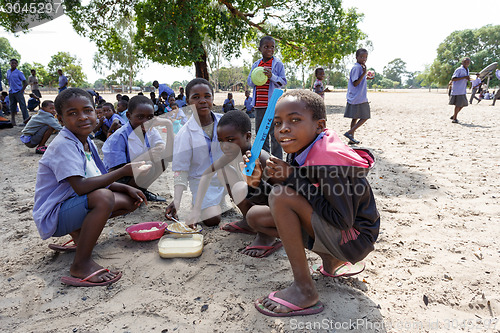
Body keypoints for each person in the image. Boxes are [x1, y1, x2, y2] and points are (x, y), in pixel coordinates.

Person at [241, 90, 380, 316]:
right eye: (278, 123)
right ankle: (331, 261)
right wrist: (255, 183)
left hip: (353, 240)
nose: (283, 128)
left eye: (294, 120)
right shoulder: (301, 148)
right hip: (335, 232)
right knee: (255, 217)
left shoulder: (328, 161)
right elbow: (290, 203)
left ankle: (305, 290)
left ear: (319, 125)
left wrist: (292, 178)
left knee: (280, 195)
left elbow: (342, 221)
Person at [33, 88, 149, 287]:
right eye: (72, 113)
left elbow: (97, 177)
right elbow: (80, 186)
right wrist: (123, 172)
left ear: (96, 113)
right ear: (60, 119)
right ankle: (81, 264)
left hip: (70, 205)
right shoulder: (64, 144)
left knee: (131, 200)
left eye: (87, 110)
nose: (83, 117)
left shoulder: (87, 142)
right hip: (54, 215)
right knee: (103, 197)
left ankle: (80, 235)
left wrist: (126, 188)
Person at [187, 110, 272, 232]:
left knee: (242, 187)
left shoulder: (261, 157)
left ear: (248, 136)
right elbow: (207, 174)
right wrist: (196, 208)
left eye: (230, 140)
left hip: (273, 212)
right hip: (255, 207)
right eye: (221, 141)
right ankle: (248, 220)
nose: (224, 146)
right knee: (223, 171)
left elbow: (277, 197)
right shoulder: (231, 155)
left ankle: (265, 234)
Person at [165, 78, 226, 226]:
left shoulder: (225, 122)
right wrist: (177, 200)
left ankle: (221, 199)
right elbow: (180, 170)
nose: (202, 101)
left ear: (213, 98)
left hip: (226, 177)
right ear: (187, 101)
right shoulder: (184, 134)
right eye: (196, 97)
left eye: (207, 96)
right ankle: (202, 204)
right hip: (201, 182)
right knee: (212, 220)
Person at [103, 95, 174, 202]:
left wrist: (169, 125)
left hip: (133, 175)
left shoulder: (150, 130)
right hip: (115, 181)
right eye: (140, 117)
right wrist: (146, 156)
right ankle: (127, 197)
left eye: (150, 117)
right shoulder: (119, 137)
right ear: (128, 115)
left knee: (162, 162)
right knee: (148, 166)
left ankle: (141, 191)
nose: (145, 122)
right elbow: (114, 172)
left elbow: (169, 157)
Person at [247, 36, 287, 159]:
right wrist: (256, 77)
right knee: (260, 134)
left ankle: (277, 160)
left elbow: (283, 82)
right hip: (259, 105)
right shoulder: (256, 64)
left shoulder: (277, 64)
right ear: (260, 49)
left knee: (275, 133)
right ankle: (264, 159)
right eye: (266, 47)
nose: (270, 49)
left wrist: (272, 76)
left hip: (273, 105)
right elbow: (249, 82)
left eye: (272, 47)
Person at [343, 49, 373, 144]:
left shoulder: (360, 67)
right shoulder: (357, 68)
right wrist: (364, 73)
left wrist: (366, 76)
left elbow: (359, 80)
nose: (364, 59)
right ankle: (349, 132)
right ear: (356, 57)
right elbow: (355, 83)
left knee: (355, 118)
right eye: (361, 57)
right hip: (358, 97)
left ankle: (351, 139)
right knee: (365, 116)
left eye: (365, 57)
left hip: (357, 97)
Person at [6, 59, 30, 126]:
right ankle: (13, 121)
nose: (13, 64)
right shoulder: (8, 72)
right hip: (11, 91)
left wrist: (21, 91)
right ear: (10, 63)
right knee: (12, 107)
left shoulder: (19, 72)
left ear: (17, 64)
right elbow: (9, 81)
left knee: (23, 106)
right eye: (12, 63)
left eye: (15, 63)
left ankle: (26, 121)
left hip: (18, 91)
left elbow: (25, 82)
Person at [449, 57, 471, 123]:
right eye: (465, 62)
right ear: (462, 62)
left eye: (468, 62)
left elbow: (466, 78)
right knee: (458, 105)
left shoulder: (467, 69)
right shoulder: (459, 70)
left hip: (463, 89)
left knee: (463, 104)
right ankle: (454, 119)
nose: (466, 63)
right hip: (458, 89)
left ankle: (454, 115)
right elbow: (453, 79)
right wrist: (464, 77)